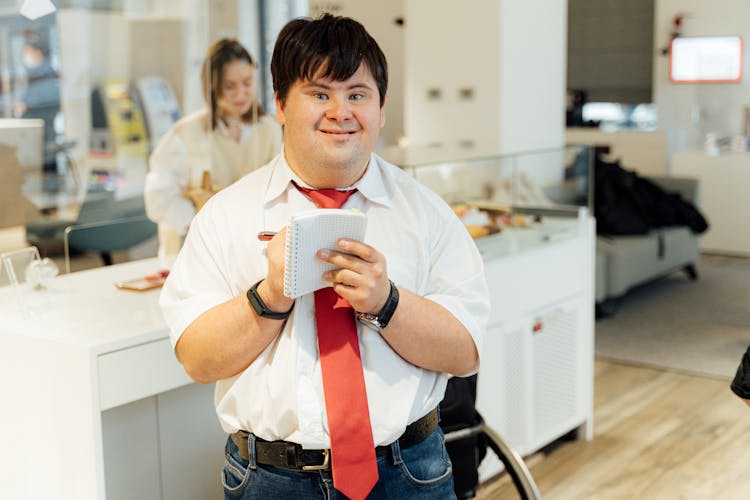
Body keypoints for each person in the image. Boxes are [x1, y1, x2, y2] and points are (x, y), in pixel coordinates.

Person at [160, 14, 489, 500]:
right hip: (271, 480)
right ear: (280, 104)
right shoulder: (224, 216)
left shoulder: (426, 213)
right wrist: (268, 296)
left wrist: (387, 302)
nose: (341, 111)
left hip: (408, 473)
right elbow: (197, 359)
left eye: (357, 94)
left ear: (381, 108)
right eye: (319, 93)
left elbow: (466, 353)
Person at [144, 38, 281, 257]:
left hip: (251, 253)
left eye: (247, 83)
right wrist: (201, 224)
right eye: (230, 86)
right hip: (195, 252)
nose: (240, 93)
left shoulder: (271, 130)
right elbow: (159, 200)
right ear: (212, 87)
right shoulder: (185, 134)